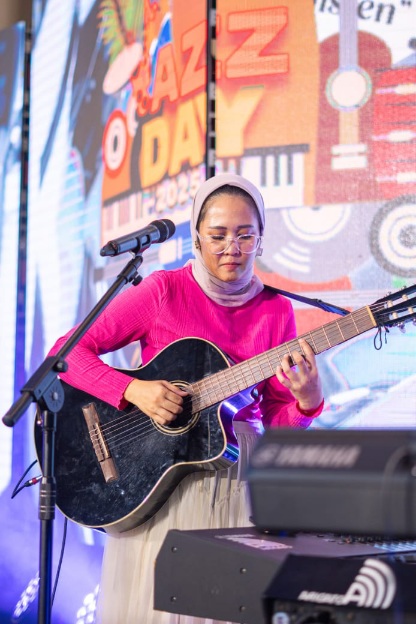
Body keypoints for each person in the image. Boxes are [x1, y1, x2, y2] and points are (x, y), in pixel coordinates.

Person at [49, 172, 324, 623]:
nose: (231, 247)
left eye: (245, 235)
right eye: (217, 235)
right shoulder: (163, 291)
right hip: (157, 476)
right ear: (196, 238)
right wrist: (132, 389)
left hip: (236, 481)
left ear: (261, 241)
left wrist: (307, 402)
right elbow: (66, 352)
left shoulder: (276, 310)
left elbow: (276, 421)